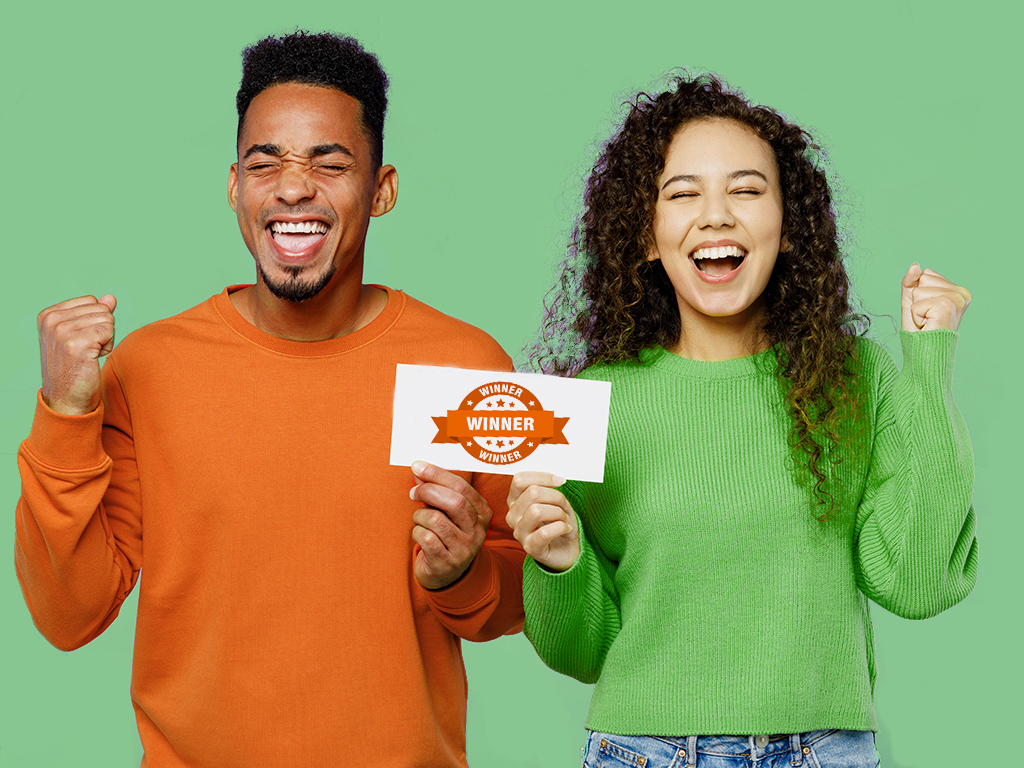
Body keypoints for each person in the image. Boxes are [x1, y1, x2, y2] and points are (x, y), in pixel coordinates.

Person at [15, 31, 525, 768]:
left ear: (381, 190)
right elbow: (69, 614)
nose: (293, 188)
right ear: (234, 186)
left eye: (329, 162)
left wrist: (467, 573)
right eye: (266, 163)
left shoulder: (468, 366)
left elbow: (520, 597)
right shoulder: (147, 369)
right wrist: (64, 415)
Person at [506, 73, 976, 768]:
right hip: (642, 753)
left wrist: (929, 361)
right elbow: (580, 649)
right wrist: (557, 561)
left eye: (748, 190)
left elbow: (918, 582)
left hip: (826, 751)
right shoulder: (594, 402)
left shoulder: (854, 377)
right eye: (683, 193)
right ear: (645, 234)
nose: (717, 216)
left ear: (788, 229)